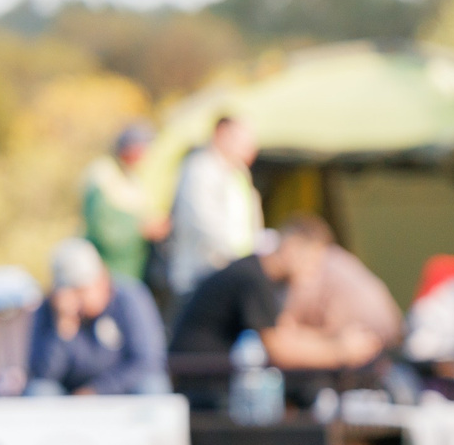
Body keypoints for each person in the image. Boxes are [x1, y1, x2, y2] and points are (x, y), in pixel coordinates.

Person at [166, 217, 381, 412]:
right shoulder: (253, 279)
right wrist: (340, 351)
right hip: (201, 383)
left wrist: (337, 341)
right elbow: (280, 350)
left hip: (210, 377)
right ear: (292, 247)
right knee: (309, 387)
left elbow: (288, 333)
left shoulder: (260, 275)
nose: (312, 273)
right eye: (312, 261)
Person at [25, 238, 169, 396]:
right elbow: (42, 373)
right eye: (69, 291)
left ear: (101, 280)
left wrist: (97, 390)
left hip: (120, 387)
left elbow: (147, 361)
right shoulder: (51, 308)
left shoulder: (130, 298)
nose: (74, 300)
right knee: (40, 390)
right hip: (70, 394)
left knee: (152, 385)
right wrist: (63, 329)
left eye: (80, 290)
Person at [167, 115, 262, 299]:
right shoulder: (199, 169)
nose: (249, 151)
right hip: (201, 275)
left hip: (232, 274)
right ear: (221, 134)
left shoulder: (239, 174)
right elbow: (202, 221)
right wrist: (239, 259)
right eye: (243, 142)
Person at [81, 124, 170, 286]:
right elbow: (103, 231)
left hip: (133, 271)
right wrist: (141, 229)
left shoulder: (134, 178)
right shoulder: (102, 177)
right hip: (108, 272)